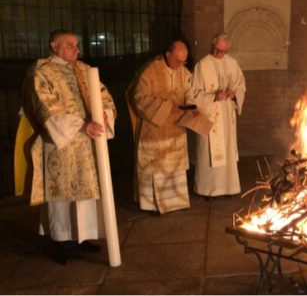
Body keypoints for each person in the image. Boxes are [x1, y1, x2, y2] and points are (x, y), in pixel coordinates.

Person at [24, 29, 116, 265]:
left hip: (87, 144)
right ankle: (62, 242)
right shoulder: (42, 72)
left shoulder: (85, 70)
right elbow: (45, 106)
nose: (77, 50)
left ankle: (82, 237)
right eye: (70, 46)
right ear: (55, 46)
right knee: (63, 195)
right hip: (61, 144)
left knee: (85, 193)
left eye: (77, 45)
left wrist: (104, 115)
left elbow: (104, 96)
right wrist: (80, 126)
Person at [126, 40, 194, 214]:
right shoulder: (150, 71)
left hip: (176, 127)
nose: (181, 65)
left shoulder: (182, 71)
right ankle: (153, 205)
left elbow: (189, 91)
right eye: (178, 61)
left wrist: (191, 106)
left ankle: (175, 202)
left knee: (175, 166)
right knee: (156, 167)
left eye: (184, 62)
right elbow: (139, 97)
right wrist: (165, 107)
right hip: (154, 127)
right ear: (168, 54)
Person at [191, 33, 246, 197]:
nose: (218, 54)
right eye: (216, 49)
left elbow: (241, 85)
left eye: (222, 51)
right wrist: (213, 96)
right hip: (210, 114)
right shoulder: (202, 65)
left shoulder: (232, 63)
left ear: (227, 50)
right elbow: (193, 93)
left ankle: (228, 188)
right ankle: (207, 189)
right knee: (208, 151)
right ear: (212, 45)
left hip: (226, 115)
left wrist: (233, 93)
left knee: (227, 150)